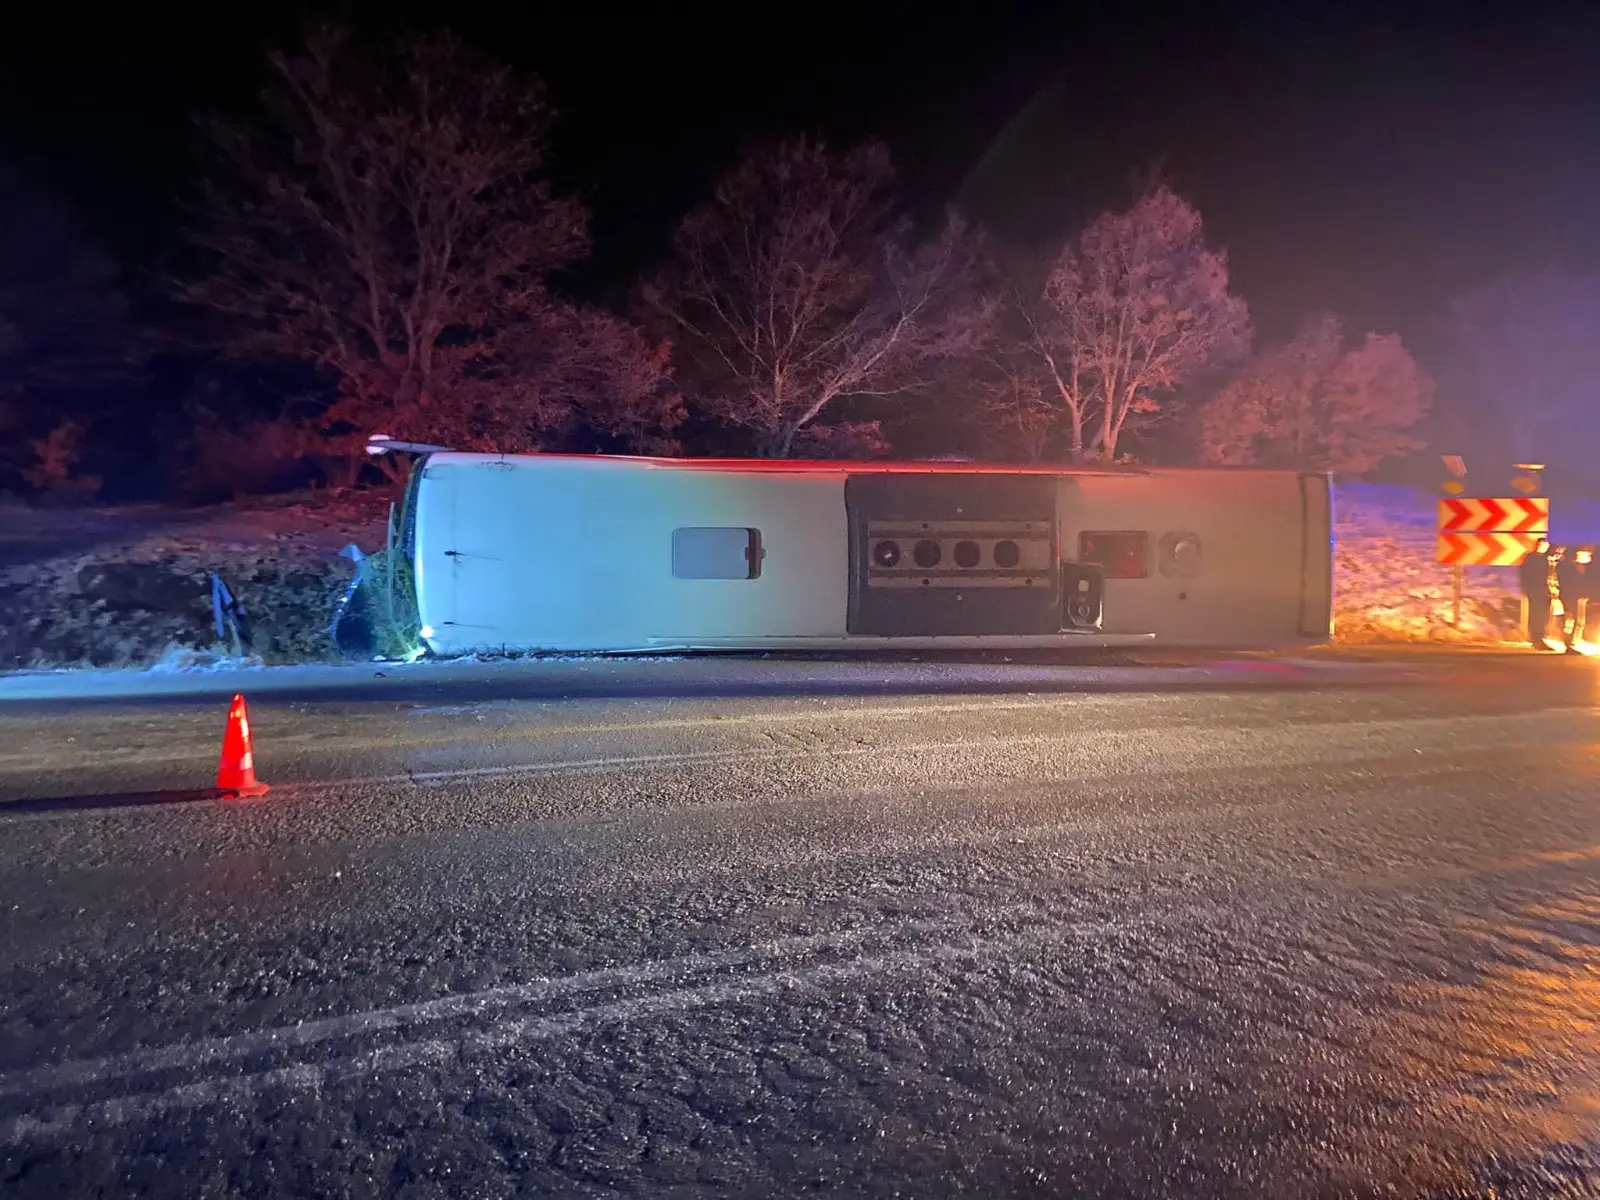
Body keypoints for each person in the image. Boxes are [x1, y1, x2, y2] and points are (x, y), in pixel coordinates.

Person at [1555, 544, 1590, 652]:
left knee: (1578, 621)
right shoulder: (1566, 567)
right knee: (1571, 620)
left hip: (1576, 596)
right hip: (1570, 596)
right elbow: (1570, 582)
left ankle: (1572, 642)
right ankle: (1569, 643)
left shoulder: (1571, 566)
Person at [1519, 537, 1553, 649]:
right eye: (1543, 545)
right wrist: (1528, 589)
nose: (1545, 547)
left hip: (1542, 590)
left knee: (1543, 615)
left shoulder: (1543, 558)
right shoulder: (1532, 558)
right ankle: (1537, 638)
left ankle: (1539, 638)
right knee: (1537, 615)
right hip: (1536, 590)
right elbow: (1527, 575)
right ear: (1538, 545)